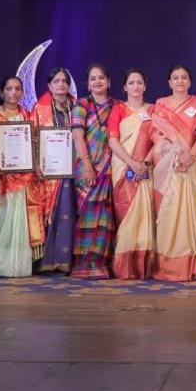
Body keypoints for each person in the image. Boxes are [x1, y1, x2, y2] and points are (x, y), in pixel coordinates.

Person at [0, 76, 47, 278]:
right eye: (9, 88)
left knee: (19, 218)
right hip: (1, 177)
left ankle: (16, 264)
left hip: (24, 176)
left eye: (17, 89)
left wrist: (36, 162)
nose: (13, 92)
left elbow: (34, 144)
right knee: (2, 217)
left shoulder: (27, 115)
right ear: (1, 92)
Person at [151, 64, 196, 281]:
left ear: (190, 81)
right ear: (169, 82)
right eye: (176, 78)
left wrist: (190, 155)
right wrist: (174, 153)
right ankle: (167, 267)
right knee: (169, 214)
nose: (180, 81)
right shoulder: (161, 104)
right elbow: (155, 134)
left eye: (184, 77)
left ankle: (189, 267)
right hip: (169, 166)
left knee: (192, 215)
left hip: (193, 165)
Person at [107, 68, 155, 280]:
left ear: (145, 86)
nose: (136, 86)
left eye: (139, 82)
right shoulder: (118, 110)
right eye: (131, 83)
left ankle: (144, 266)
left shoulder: (153, 110)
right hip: (124, 168)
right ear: (124, 87)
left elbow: (158, 140)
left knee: (146, 215)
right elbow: (113, 140)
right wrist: (132, 163)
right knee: (125, 214)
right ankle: (125, 267)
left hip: (147, 168)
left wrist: (144, 163)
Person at [71, 63, 117, 278]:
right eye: (93, 79)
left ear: (109, 82)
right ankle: (83, 264)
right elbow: (77, 136)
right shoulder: (81, 105)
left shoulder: (117, 106)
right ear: (88, 84)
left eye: (101, 78)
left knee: (105, 218)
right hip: (86, 170)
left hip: (110, 170)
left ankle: (101, 264)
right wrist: (89, 166)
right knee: (87, 216)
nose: (97, 82)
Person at [31, 68, 76, 274]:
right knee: (51, 214)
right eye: (56, 81)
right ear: (49, 85)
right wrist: (35, 164)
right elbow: (31, 139)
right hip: (49, 170)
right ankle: (48, 261)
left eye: (64, 81)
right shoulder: (39, 109)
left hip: (73, 169)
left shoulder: (77, 107)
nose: (61, 85)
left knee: (70, 212)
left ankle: (67, 261)